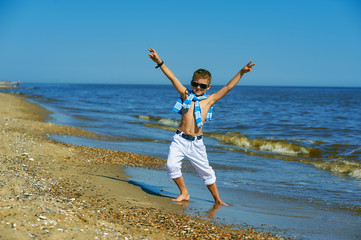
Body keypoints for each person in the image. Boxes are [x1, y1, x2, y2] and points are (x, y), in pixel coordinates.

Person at [148, 48, 255, 205]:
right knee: (171, 165)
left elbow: (228, 87)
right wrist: (159, 62)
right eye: (195, 84)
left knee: (206, 172)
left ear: (208, 87)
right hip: (179, 139)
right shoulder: (185, 95)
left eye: (202, 86)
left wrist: (241, 72)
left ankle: (218, 200)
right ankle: (184, 192)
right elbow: (172, 78)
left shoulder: (209, 101)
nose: (198, 88)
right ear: (191, 83)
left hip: (196, 143)